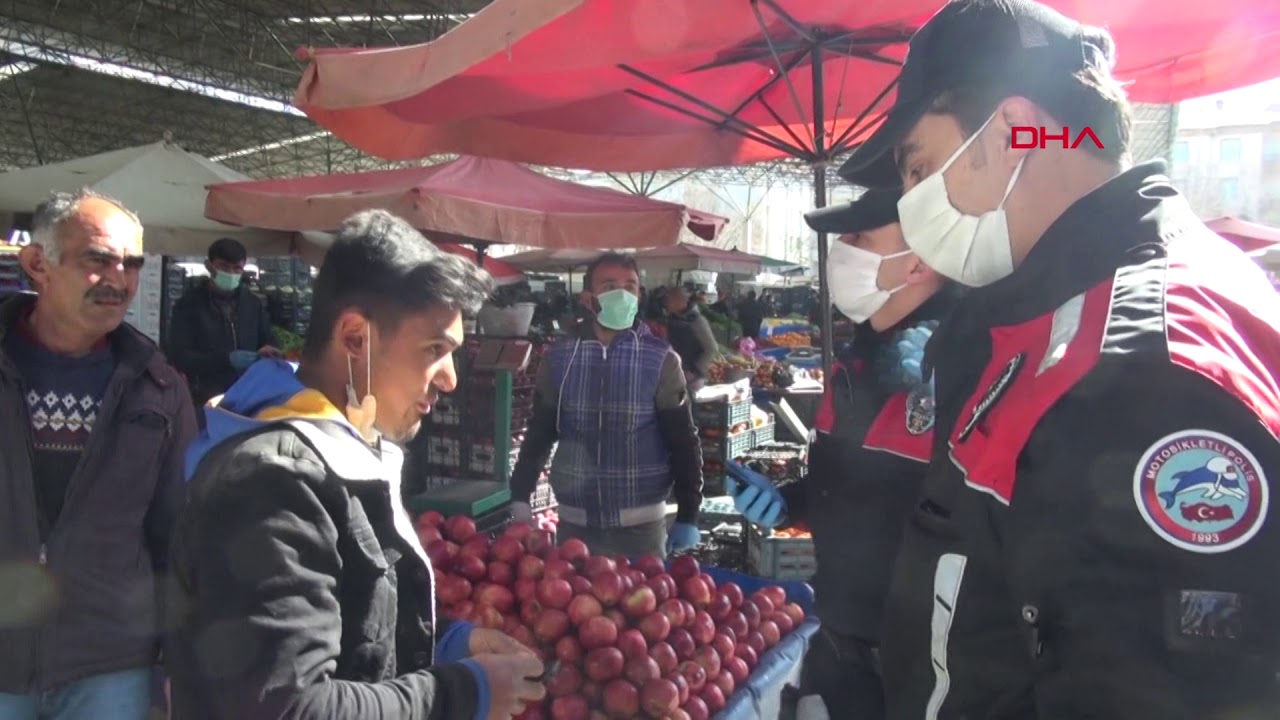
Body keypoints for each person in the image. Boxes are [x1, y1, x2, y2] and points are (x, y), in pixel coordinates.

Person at [839, 1, 1280, 716]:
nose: (915, 204)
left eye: (919, 167)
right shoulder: (1059, 311)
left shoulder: (1139, 363)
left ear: (1015, 132)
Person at [166, 210, 545, 720]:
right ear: (354, 338)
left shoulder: (334, 450)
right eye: (435, 349)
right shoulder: (272, 481)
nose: (449, 378)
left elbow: (347, 630)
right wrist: (462, 693)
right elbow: (289, 707)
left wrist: (449, 643)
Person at [726, 189, 954, 720]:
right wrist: (791, 503)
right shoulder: (856, 362)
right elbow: (855, 485)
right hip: (840, 642)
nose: (841, 251)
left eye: (859, 237)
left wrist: (952, 370)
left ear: (918, 261)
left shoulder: (970, 365)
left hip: (924, 667)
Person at [0, 189, 196, 719]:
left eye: (132, 263)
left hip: (109, 664)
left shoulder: (159, 389)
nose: (120, 279)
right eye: (98, 259)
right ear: (38, 264)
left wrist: (179, 658)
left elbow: (178, 532)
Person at [508, 253, 704, 558]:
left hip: (642, 528)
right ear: (588, 297)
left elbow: (682, 440)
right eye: (610, 285)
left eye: (631, 286)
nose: (623, 294)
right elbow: (541, 431)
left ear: (640, 295)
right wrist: (521, 493)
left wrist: (689, 512)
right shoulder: (560, 358)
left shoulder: (660, 359)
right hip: (575, 526)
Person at [167, 237, 279, 410]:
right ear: (209, 266)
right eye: (224, 267)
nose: (231, 273)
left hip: (248, 395)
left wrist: (267, 350)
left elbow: (268, 339)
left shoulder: (252, 303)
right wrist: (225, 359)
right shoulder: (189, 305)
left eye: (237, 268)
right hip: (204, 399)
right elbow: (179, 357)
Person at [663, 286, 718, 388]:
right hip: (676, 373)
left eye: (669, 300)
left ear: (679, 300)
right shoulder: (672, 318)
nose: (666, 303)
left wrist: (695, 371)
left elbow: (712, 348)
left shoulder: (696, 321)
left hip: (692, 379)